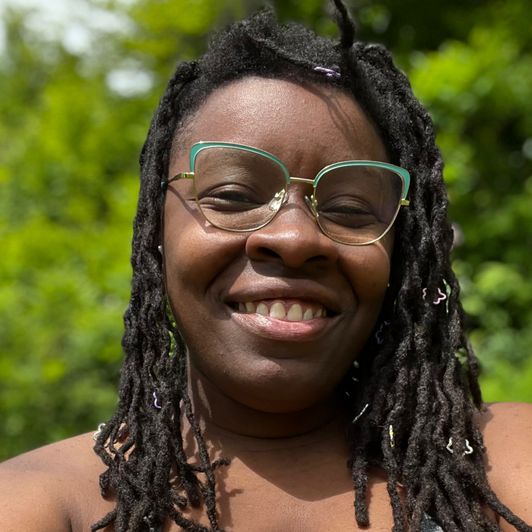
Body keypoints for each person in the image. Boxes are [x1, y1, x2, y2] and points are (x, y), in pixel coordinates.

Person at [1, 1, 531, 531]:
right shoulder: (44, 503)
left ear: (401, 252)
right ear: (155, 232)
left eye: (349, 209)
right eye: (233, 196)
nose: (295, 239)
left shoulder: (492, 465)